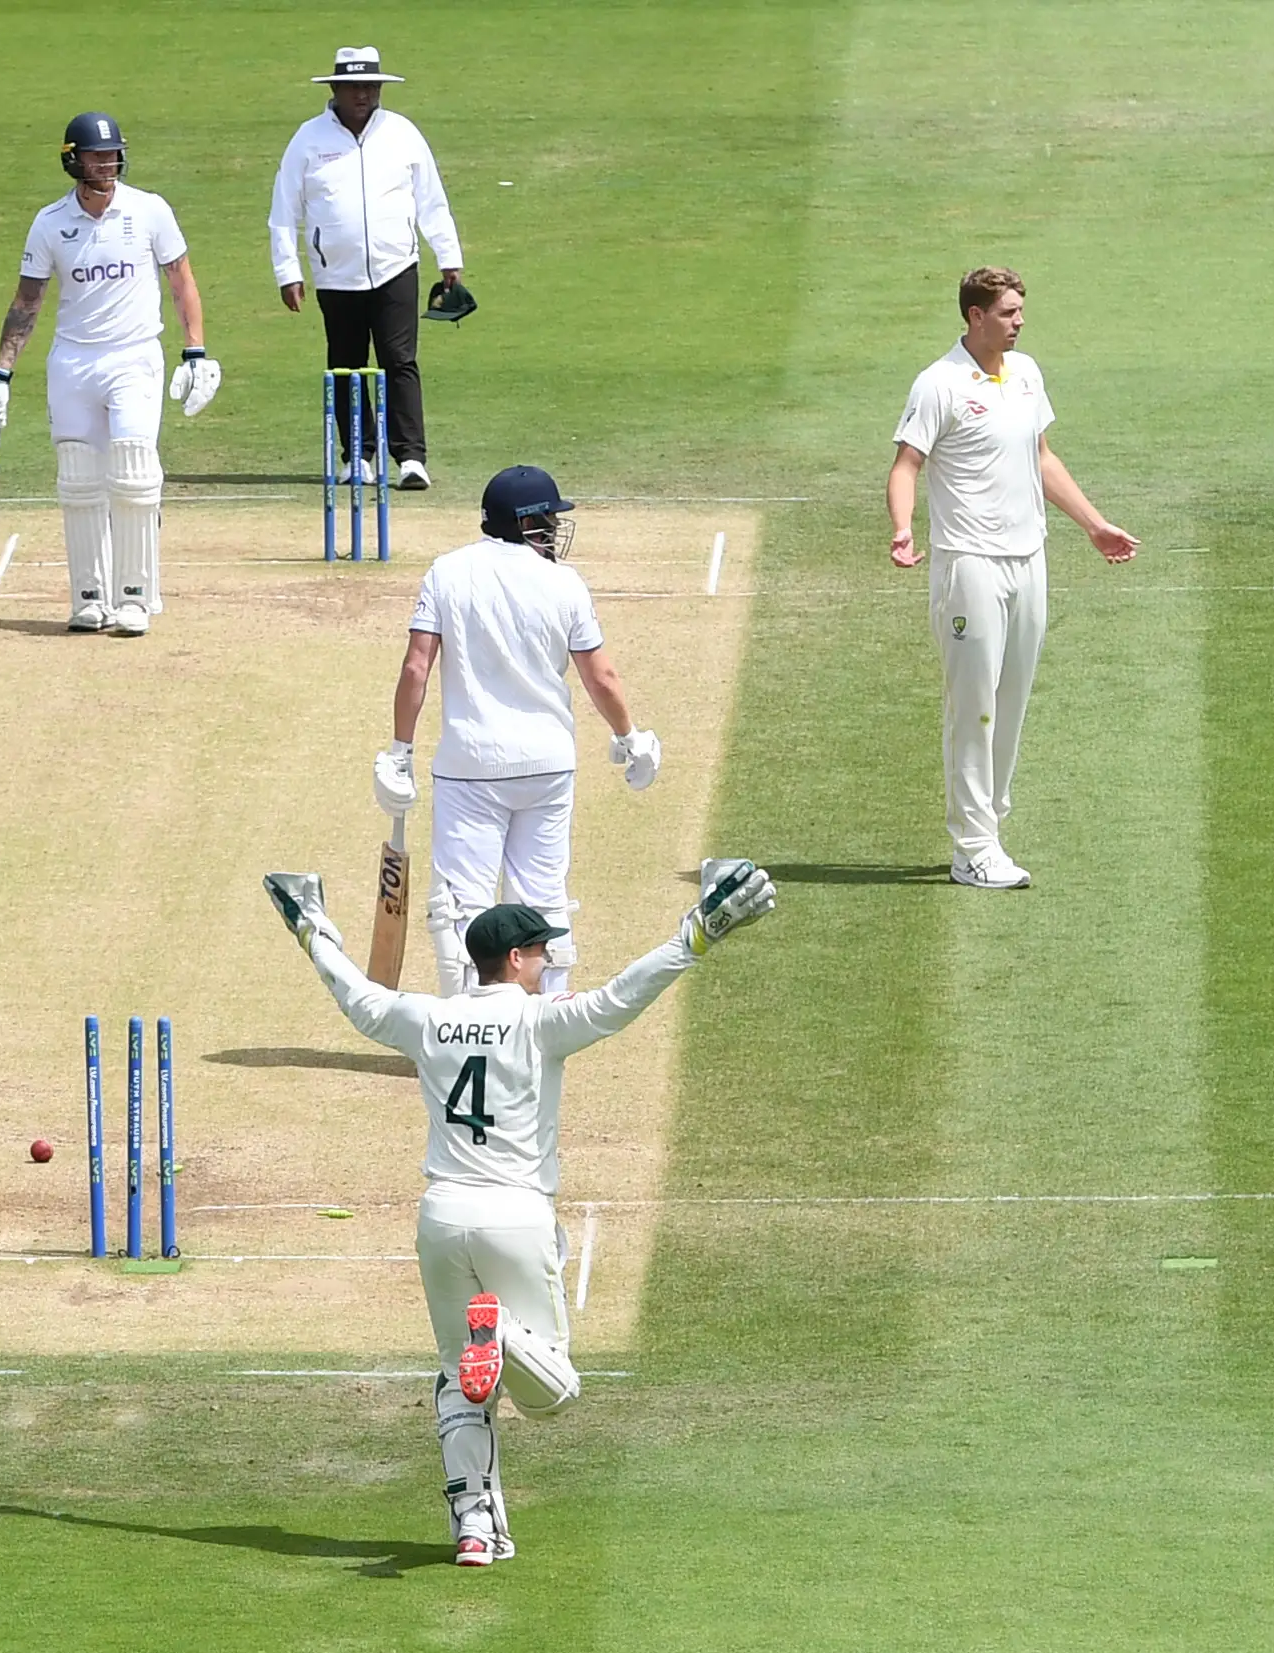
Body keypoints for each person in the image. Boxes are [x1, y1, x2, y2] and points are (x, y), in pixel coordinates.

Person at [263, 863, 778, 1565]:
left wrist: (311, 927)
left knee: (457, 1382)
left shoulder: (428, 1017)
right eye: (539, 953)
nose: (546, 963)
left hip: (442, 1216)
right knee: (553, 1390)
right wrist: (694, 936)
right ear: (514, 957)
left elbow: (356, 997)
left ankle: (474, 1529)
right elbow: (622, 998)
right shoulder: (541, 1021)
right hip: (515, 1211)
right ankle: (498, 1330)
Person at [887, 268, 1137, 888]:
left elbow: (1042, 458)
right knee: (973, 706)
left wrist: (1093, 525)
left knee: (1012, 700)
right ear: (975, 316)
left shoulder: (1026, 374)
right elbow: (906, 464)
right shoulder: (938, 384)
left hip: (1030, 559)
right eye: (1008, 312)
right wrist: (902, 528)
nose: (1019, 321)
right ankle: (972, 847)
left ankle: (990, 827)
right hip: (968, 563)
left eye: (1020, 310)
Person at [372, 465, 660, 999]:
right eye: (547, 518)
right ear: (525, 523)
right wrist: (630, 736)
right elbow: (601, 677)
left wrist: (399, 752)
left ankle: (466, 1024)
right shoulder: (564, 582)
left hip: (469, 766)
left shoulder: (446, 572)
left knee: (463, 906)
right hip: (548, 764)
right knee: (544, 899)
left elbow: (417, 667)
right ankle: (547, 1021)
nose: (553, 527)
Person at [0, 112, 216, 636]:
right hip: (73, 361)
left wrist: (195, 353)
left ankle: (134, 597)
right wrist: (1, 372)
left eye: (113, 154)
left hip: (134, 356)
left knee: (133, 471)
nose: (107, 163)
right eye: (96, 156)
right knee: (80, 479)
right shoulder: (49, 223)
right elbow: (27, 302)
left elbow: (182, 281)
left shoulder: (150, 210)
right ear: (72, 160)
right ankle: (89, 597)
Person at [267, 46, 465, 489]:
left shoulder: (402, 134)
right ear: (335, 89)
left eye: (370, 86)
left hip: (397, 266)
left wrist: (448, 256)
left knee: (399, 360)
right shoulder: (308, 139)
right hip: (335, 273)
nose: (363, 94)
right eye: (354, 86)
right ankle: (358, 455)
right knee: (347, 364)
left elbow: (431, 199)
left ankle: (411, 459)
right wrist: (288, 271)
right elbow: (284, 210)